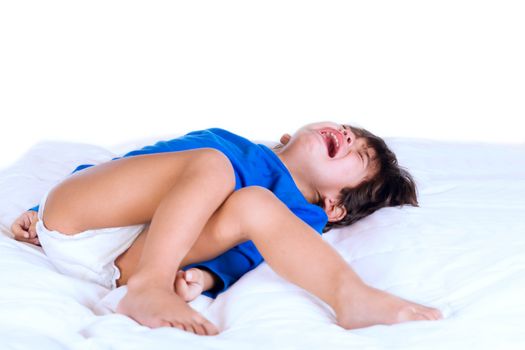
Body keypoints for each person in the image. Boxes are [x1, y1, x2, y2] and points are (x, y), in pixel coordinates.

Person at [11, 122, 443, 336]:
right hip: (84, 213)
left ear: (334, 206)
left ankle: (352, 296)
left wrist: (209, 276)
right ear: (289, 136)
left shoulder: (297, 219)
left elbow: (247, 256)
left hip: (120, 263)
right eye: (349, 133)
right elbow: (130, 168)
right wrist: (37, 209)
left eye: (359, 155)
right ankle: (151, 286)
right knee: (212, 163)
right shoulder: (226, 145)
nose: (349, 138)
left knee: (254, 202)